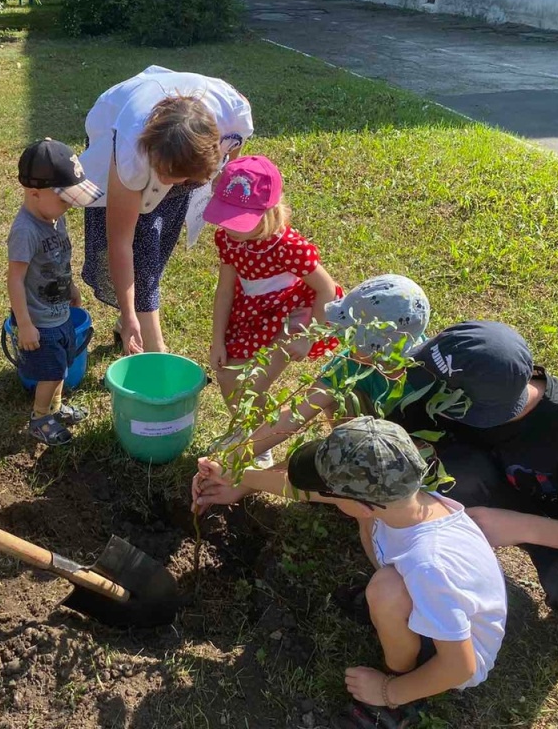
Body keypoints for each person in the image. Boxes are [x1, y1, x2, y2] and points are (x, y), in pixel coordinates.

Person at [193, 417, 507, 729]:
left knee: (385, 591)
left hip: (450, 657)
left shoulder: (430, 565)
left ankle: (401, 686)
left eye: (332, 494)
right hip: (433, 599)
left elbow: (459, 668)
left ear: (362, 502)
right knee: (376, 551)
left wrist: (389, 691)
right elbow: (310, 492)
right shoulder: (400, 495)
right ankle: (398, 616)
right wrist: (236, 477)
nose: (322, 496)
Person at [396, 321, 558, 663]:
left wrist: (523, 526)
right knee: (452, 471)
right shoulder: (447, 383)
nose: (424, 392)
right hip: (487, 484)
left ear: (477, 408)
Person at [80, 65, 254, 354]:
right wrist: (129, 312)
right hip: (115, 121)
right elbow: (120, 242)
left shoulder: (233, 114)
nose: (166, 185)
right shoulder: (129, 149)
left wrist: (220, 178)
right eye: (163, 175)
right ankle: (153, 346)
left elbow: (234, 150)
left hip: (181, 141)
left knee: (155, 243)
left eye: (180, 181)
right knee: (141, 244)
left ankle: (138, 329)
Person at [212, 274, 430, 466]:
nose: (348, 342)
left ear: (380, 347)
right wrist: (232, 460)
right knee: (336, 396)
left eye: (353, 336)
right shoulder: (351, 364)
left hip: (405, 455)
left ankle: (354, 462)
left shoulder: (423, 377)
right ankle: (348, 446)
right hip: (370, 432)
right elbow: (295, 415)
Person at [207, 155, 339, 468]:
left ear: (268, 212)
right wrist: (218, 341)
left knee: (253, 384)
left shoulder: (289, 247)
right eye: (226, 216)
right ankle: (248, 430)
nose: (230, 227)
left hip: (291, 316)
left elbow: (327, 289)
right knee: (227, 376)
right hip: (251, 313)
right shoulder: (228, 238)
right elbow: (225, 289)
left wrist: (308, 337)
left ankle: (258, 445)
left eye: (238, 219)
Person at [7, 138, 103, 445]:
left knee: (61, 365)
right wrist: (24, 323)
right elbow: (15, 280)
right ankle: (39, 417)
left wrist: (71, 286)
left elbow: (59, 260)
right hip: (39, 321)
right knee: (50, 372)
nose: (70, 207)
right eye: (64, 200)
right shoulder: (25, 231)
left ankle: (56, 407)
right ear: (35, 193)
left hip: (59, 311)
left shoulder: (54, 219)